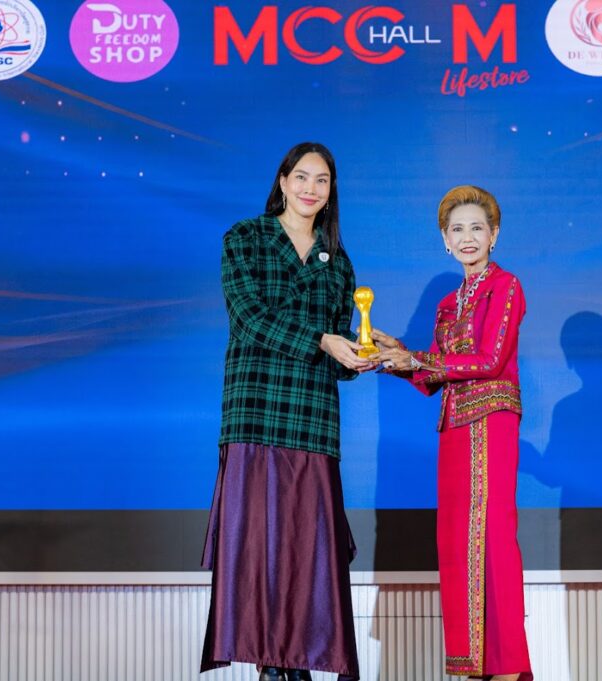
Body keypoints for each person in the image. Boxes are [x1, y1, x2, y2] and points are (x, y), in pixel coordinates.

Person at [201, 142, 370, 681]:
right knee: (258, 546)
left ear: (331, 192)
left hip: (312, 418)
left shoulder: (337, 261)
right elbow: (249, 318)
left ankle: (299, 663)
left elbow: (338, 353)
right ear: (281, 180)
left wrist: (361, 354)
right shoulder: (245, 238)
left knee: (307, 550)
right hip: (255, 411)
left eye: (322, 180)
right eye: (301, 176)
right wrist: (322, 340)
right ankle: (269, 662)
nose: (310, 189)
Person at [371, 185, 532, 681]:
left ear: (494, 234)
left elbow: (489, 360)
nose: (467, 237)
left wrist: (417, 359)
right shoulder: (447, 303)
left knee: (494, 541)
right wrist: (394, 356)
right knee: (458, 543)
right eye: (457, 229)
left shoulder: (506, 287)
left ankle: (506, 667)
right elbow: (432, 377)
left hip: (491, 426)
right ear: (444, 239)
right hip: (454, 432)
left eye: (477, 228)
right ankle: (473, 666)